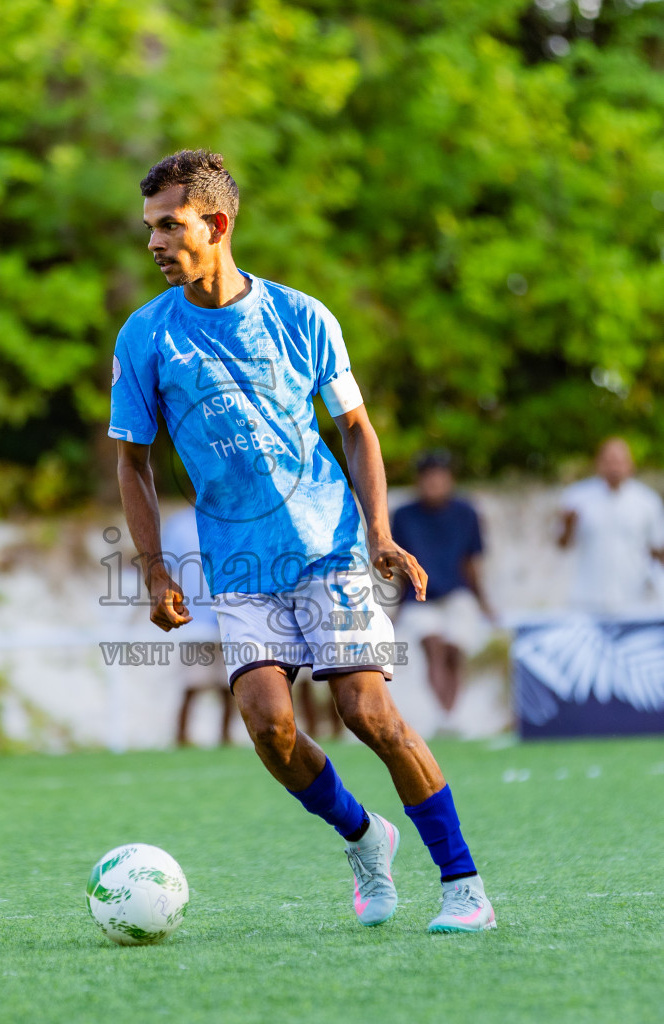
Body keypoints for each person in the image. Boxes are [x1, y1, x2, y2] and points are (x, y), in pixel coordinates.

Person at [110, 149, 495, 933]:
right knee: (267, 725)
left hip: (328, 548)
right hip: (239, 563)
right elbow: (132, 460)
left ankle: (463, 885)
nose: (152, 242)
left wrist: (381, 532)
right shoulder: (144, 338)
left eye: (168, 225)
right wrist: (154, 569)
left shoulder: (302, 316)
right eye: (148, 227)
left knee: (367, 713)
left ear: (215, 225)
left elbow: (356, 429)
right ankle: (363, 837)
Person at [391, 450, 494, 723]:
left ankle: (451, 712)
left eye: (439, 476)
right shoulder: (403, 516)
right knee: (433, 647)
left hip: (457, 594)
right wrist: (397, 606)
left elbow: (470, 563)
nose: (434, 482)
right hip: (419, 598)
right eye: (428, 477)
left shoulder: (467, 512)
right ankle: (446, 716)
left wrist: (484, 603)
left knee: (453, 652)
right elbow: (401, 568)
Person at [558, 438, 664, 615]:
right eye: (608, 462)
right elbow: (562, 545)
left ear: (631, 465)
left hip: (634, 600)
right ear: (598, 464)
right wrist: (568, 525)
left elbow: (657, 548)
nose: (614, 468)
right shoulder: (576, 498)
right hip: (586, 601)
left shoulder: (647, 501)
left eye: (619, 462)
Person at [160, 505, 235, 745]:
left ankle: (225, 739)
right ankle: (181, 739)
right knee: (191, 686)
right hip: (195, 620)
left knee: (229, 687)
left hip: (229, 618)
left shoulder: (230, 519)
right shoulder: (179, 524)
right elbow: (165, 569)